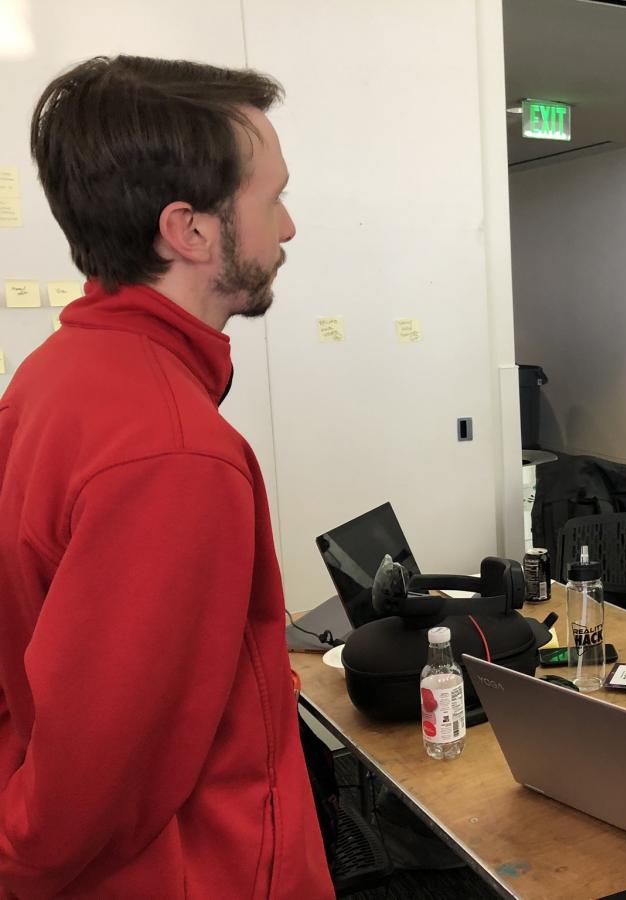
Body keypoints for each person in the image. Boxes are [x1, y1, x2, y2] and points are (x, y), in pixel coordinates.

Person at [0, 57, 333, 896]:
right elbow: (86, 790)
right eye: (272, 199)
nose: (288, 227)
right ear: (190, 230)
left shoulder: (55, 375)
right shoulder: (175, 457)